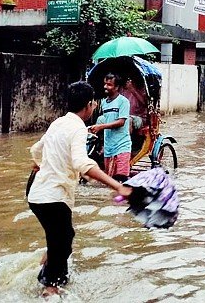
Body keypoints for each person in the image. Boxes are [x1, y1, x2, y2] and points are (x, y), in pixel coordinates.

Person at [28, 81, 132, 297]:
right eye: (93, 104)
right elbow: (82, 163)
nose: (94, 107)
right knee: (63, 244)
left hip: (36, 194)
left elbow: (36, 148)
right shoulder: (77, 128)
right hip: (53, 197)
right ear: (89, 105)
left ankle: (46, 269)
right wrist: (118, 186)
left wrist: (39, 163)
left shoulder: (57, 123)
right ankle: (49, 290)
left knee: (61, 238)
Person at [89, 74, 132, 182]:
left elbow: (121, 122)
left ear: (116, 87)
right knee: (110, 182)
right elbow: (106, 120)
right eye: (105, 84)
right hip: (109, 147)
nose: (105, 87)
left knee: (122, 180)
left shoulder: (123, 101)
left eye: (109, 85)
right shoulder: (104, 103)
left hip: (122, 145)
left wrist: (101, 126)